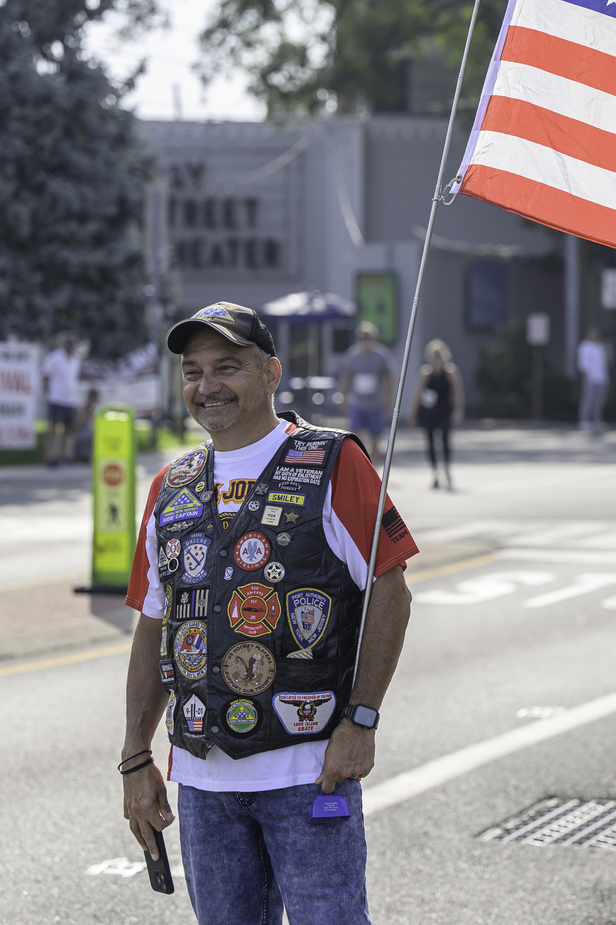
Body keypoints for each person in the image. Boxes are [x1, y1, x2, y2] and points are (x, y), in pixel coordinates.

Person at [120, 302, 417, 925]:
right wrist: (136, 755)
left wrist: (361, 719)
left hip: (309, 772)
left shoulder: (335, 462)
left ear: (271, 374)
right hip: (204, 782)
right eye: (193, 372)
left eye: (227, 367)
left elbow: (391, 589)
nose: (208, 387)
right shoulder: (170, 486)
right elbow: (154, 625)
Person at [336, 322, 395, 463]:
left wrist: (387, 398)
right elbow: (346, 377)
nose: (365, 341)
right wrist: (342, 397)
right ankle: (358, 460)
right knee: (355, 433)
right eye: (362, 337)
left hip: (375, 404)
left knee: (375, 434)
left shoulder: (381, 356)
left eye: (368, 337)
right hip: (357, 403)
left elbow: (390, 377)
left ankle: (373, 462)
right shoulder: (353, 355)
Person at [411, 339, 464, 490]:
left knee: (445, 439)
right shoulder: (426, 373)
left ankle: (447, 468)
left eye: (439, 354)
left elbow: (458, 392)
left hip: (444, 411)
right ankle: (435, 473)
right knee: (430, 442)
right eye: (434, 355)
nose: (436, 358)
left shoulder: (450, 372)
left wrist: (458, 411)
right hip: (429, 412)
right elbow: (418, 394)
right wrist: (413, 415)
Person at [41, 333, 84, 466]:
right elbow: (46, 375)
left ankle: (63, 456)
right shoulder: (54, 357)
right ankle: (49, 457)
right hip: (56, 397)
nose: (71, 346)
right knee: (53, 428)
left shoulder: (76, 359)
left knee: (68, 430)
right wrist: (48, 394)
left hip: (70, 399)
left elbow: (75, 380)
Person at [576, 326, 609, 432]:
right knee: (587, 399)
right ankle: (584, 420)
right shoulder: (584, 346)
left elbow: (603, 362)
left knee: (599, 401)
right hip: (590, 378)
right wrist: (585, 376)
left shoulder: (600, 346)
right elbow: (582, 363)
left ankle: (597, 419)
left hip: (601, 377)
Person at [71, 388, 102, 463]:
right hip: (84, 431)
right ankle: (79, 457)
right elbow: (80, 420)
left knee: (88, 436)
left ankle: (88, 457)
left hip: (92, 431)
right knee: (81, 436)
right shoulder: (84, 407)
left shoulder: (98, 409)